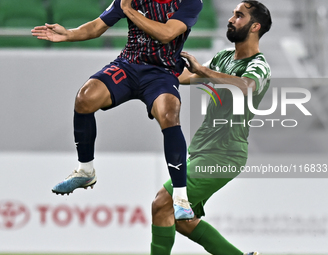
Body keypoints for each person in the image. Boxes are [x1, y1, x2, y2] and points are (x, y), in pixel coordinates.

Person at [31, 0, 203, 220]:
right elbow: (97, 26)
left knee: (169, 113)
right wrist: (69, 34)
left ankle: (180, 199)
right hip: (128, 64)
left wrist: (129, 10)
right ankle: (86, 171)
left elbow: (167, 34)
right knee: (85, 98)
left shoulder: (190, 2)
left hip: (162, 72)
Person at [150, 0, 272, 254]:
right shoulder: (223, 57)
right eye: (232, 13)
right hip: (203, 150)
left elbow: (247, 86)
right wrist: (155, 68)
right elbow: (189, 77)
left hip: (225, 153)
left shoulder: (259, 66)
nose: (231, 19)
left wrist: (204, 71)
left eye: (239, 15)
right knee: (182, 221)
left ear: (255, 27)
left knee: (163, 204)